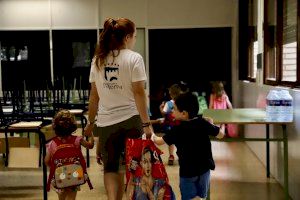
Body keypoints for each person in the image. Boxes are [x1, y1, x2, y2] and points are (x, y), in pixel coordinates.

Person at [84, 17, 153, 200]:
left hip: (106, 123)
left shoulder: (98, 60)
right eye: (135, 36)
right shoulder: (134, 58)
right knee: (131, 166)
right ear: (128, 36)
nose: (135, 40)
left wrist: (90, 123)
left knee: (111, 168)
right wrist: (147, 124)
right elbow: (139, 93)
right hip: (131, 120)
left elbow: (94, 96)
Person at [151, 92, 224, 200]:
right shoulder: (203, 123)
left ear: (184, 113)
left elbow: (158, 141)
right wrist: (212, 123)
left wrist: (151, 134)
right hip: (204, 170)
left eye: (174, 109)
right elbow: (221, 135)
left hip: (188, 172)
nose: (172, 111)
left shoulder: (177, 130)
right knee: (201, 196)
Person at [44, 109, 95, 200]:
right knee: (71, 197)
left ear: (55, 126)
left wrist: (54, 167)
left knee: (61, 197)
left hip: (59, 175)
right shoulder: (77, 140)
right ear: (72, 126)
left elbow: (47, 161)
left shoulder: (53, 143)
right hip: (74, 174)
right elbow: (90, 146)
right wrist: (91, 134)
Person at [158, 83, 182, 165]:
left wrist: (160, 108)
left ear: (171, 94)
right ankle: (181, 156)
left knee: (170, 141)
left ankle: (171, 156)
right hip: (181, 126)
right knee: (180, 141)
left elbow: (164, 113)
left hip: (170, 126)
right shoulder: (182, 102)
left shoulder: (168, 103)